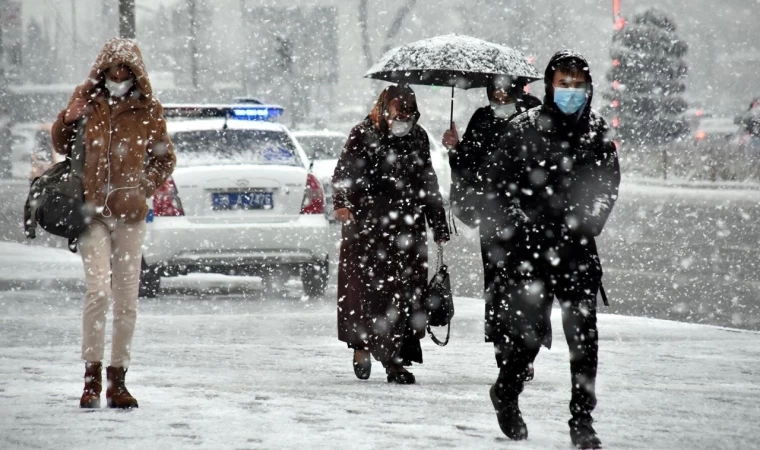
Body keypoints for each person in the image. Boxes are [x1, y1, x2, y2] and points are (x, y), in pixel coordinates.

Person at [484, 50, 620, 449]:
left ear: (588, 87)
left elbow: (607, 186)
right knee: (528, 337)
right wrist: (520, 226)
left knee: (584, 341)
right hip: (530, 252)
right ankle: (506, 391)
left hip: (577, 251)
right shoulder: (523, 128)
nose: (571, 91)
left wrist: (586, 222)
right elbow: (498, 184)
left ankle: (582, 421)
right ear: (549, 85)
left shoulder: (596, 131)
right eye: (564, 84)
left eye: (578, 85)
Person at [51, 38, 176, 409]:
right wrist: (68, 118)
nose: (118, 74)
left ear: (136, 72)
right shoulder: (87, 101)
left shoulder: (148, 109)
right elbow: (61, 144)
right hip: (92, 213)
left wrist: (144, 188)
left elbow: (164, 159)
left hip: (130, 215)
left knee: (126, 301)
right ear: (102, 69)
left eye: (126, 68)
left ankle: (117, 381)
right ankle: (90, 379)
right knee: (98, 293)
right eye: (113, 67)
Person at [332, 84, 450, 384]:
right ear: (384, 109)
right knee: (369, 294)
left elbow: (428, 181)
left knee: (405, 295)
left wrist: (437, 222)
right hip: (367, 229)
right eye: (398, 113)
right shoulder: (363, 134)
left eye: (409, 114)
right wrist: (343, 204)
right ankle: (361, 345)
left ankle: (395, 360)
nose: (403, 120)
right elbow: (343, 173)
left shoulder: (418, 137)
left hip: (407, 229)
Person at [442, 78, 541, 299]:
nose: (500, 98)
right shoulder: (482, 118)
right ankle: (495, 331)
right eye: (495, 94)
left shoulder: (533, 116)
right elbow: (465, 168)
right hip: (491, 214)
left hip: (527, 214)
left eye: (505, 93)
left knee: (527, 287)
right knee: (496, 284)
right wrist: (456, 148)